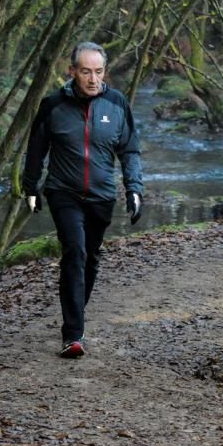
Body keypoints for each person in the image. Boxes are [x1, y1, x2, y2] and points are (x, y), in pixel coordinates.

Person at [22, 41, 144, 359]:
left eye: (99, 72)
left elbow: (130, 150)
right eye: (86, 72)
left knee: (90, 258)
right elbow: (35, 151)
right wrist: (31, 189)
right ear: (72, 71)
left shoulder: (117, 104)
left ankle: (75, 309)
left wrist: (134, 188)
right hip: (64, 192)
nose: (93, 79)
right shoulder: (53, 106)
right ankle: (73, 334)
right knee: (74, 252)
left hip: (102, 195)